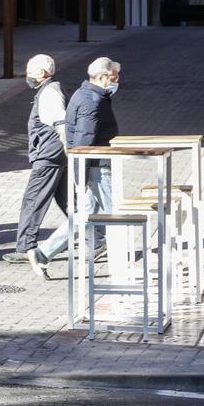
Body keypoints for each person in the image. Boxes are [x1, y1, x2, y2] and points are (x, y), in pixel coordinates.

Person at [27, 57, 121, 279]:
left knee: (83, 215)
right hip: (98, 166)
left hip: (95, 165)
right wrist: (82, 173)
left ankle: (42, 253)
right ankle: (123, 265)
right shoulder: (92, 100)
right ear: (103, 76)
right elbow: (83, 139)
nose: (117, 82)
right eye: (114, 78)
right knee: (115, 217)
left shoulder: (88, 94)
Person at [4, 55, 68, 263]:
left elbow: (61, 123)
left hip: (49, 156)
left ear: (41, 73)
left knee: (33, 200)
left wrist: (68, 150)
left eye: (29, 72)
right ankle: (98, 238)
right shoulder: (50, 90)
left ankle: (26, 247)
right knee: (68, 201)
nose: (27, 76)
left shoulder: (49, 93)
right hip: (56, 154)